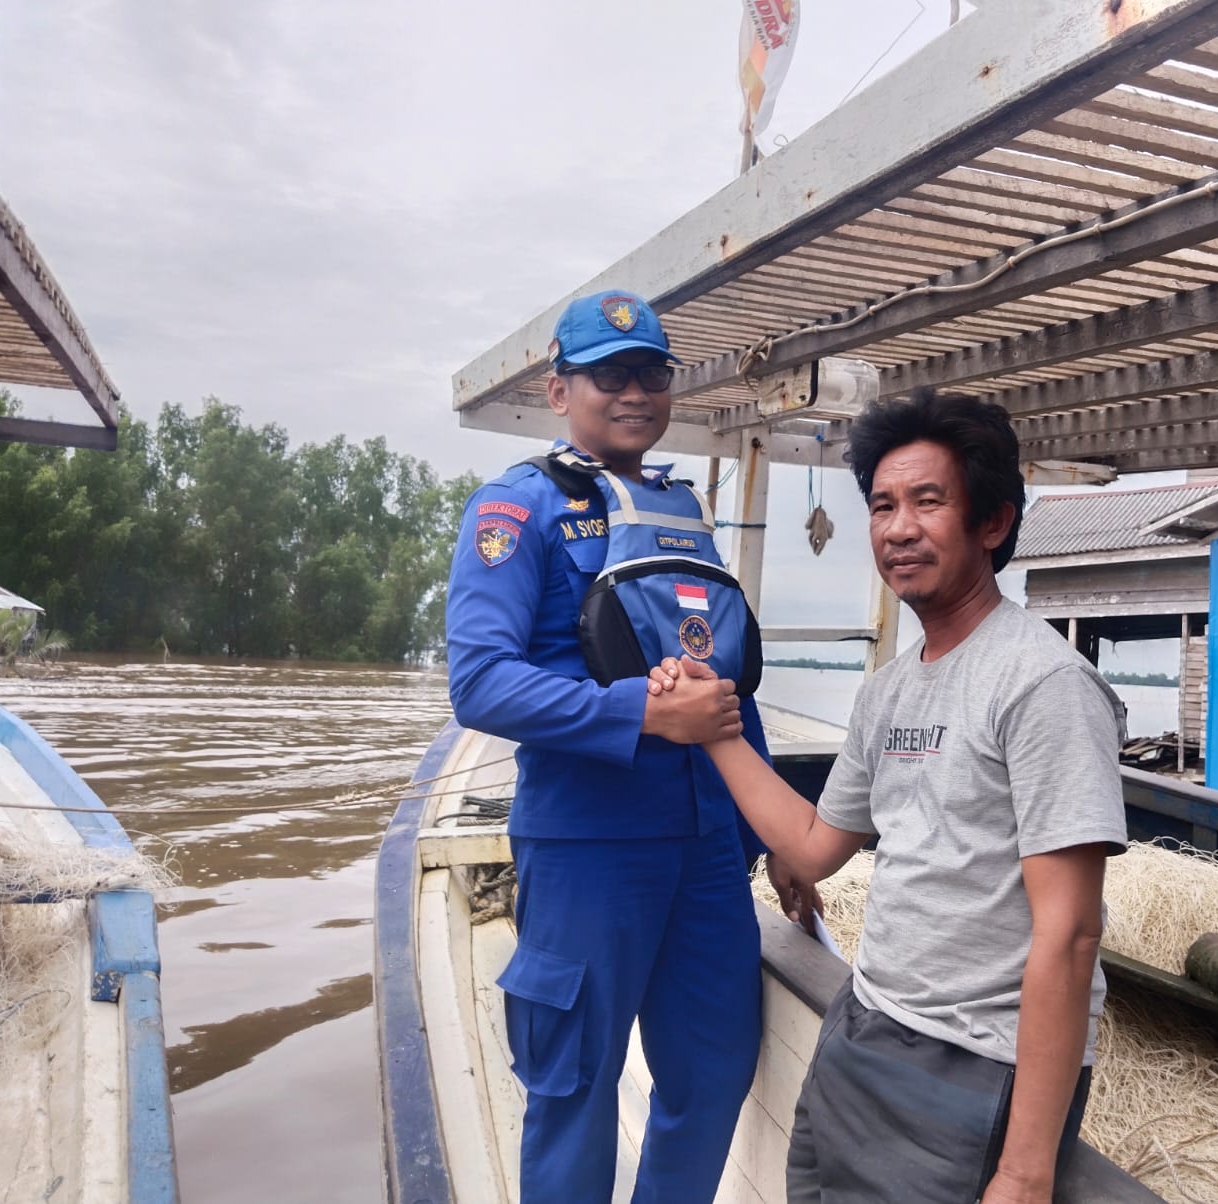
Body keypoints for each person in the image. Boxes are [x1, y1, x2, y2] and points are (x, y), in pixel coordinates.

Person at [650, 390, 1128, 1203]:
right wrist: (718, 729)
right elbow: (809, 847)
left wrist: (1023, 1169)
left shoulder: (1043, 684)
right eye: (882, 504)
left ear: (993, 523)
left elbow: (1072, 932)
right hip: (865, 1024)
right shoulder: (890, 690)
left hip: (971, 1066)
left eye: (927, 501)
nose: (898, 528)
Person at [445, 289, 816, 1203]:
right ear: (557, 386)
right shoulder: (516, 509)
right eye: (609, 375)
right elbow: (479, 682)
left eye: (651, 374)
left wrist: (773, 841)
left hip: (703, 854)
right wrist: (639, 716)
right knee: (574, 1086)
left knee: (713, 1071)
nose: (634, 392)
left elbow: (725, 689)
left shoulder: (683, 513)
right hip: (587, 850)